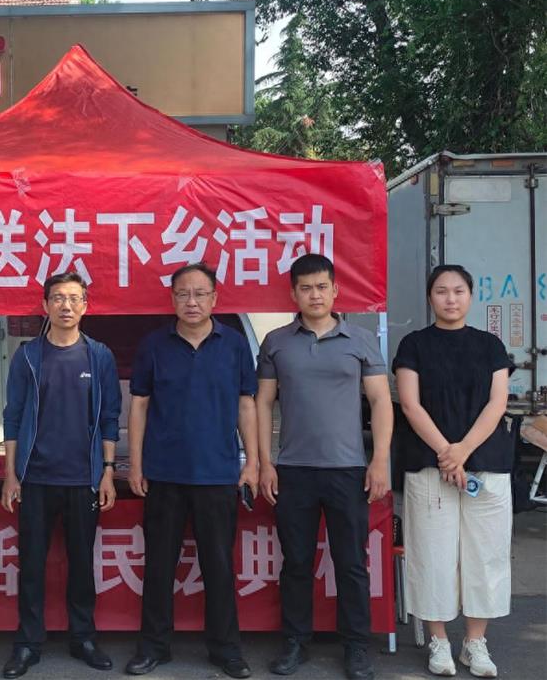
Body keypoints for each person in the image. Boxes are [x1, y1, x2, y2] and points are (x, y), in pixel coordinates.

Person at [255, 253, 392, 680]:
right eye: (306, 288)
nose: (314, 295)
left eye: (321, 287)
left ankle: (356, 647)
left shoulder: (360, 340)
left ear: (335, 290)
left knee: (350, 562)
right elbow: (262, 403)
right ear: (293, 294)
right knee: (296, 562)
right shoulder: (276, 342)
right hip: (293, 469)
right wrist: (265, 462)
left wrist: (379, 460)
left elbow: (380, 401)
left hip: (347, 469)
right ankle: (296, 641)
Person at [125, 262, 259, 679]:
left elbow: (247, 404)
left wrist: (253, 462)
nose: (192, 302)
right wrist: (136, 463)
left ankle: (226, 649)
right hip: (164, 473)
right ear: (172, 299)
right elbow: (139, 404)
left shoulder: (234, 344)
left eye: (200, 294)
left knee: (218, 566)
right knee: (159, 566)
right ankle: (153, 647)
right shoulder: (154, 345)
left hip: (217, 473)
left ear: (215, 299)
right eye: (183, 294)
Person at [0, 272, 122, 678]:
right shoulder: (28, 356)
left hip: (83, 479)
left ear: (85, 305)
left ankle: (82, 637)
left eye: (73, 298)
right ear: (45, 305)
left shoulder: (99, 356)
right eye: (57, 298)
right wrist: (12, 474)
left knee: (82, 563)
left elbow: (109, 417)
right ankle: (28, 643)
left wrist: (107, 471)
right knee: (31, 564)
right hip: (35, 478)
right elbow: (13, 417)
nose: (65, 306)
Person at [393, 265, 511, 678]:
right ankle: (439, 640)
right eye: (441, 291)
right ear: (430, 297)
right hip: (430, 465)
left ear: (471, 296)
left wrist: (462, 451)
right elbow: (410, 404)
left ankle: (474, 642)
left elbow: (497, 403)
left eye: (458, 291)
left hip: (486, 464)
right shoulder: (414, 345)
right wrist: (447, 453)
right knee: (432, 554)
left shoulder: (490, 345)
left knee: (486, 555)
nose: (450, 299)